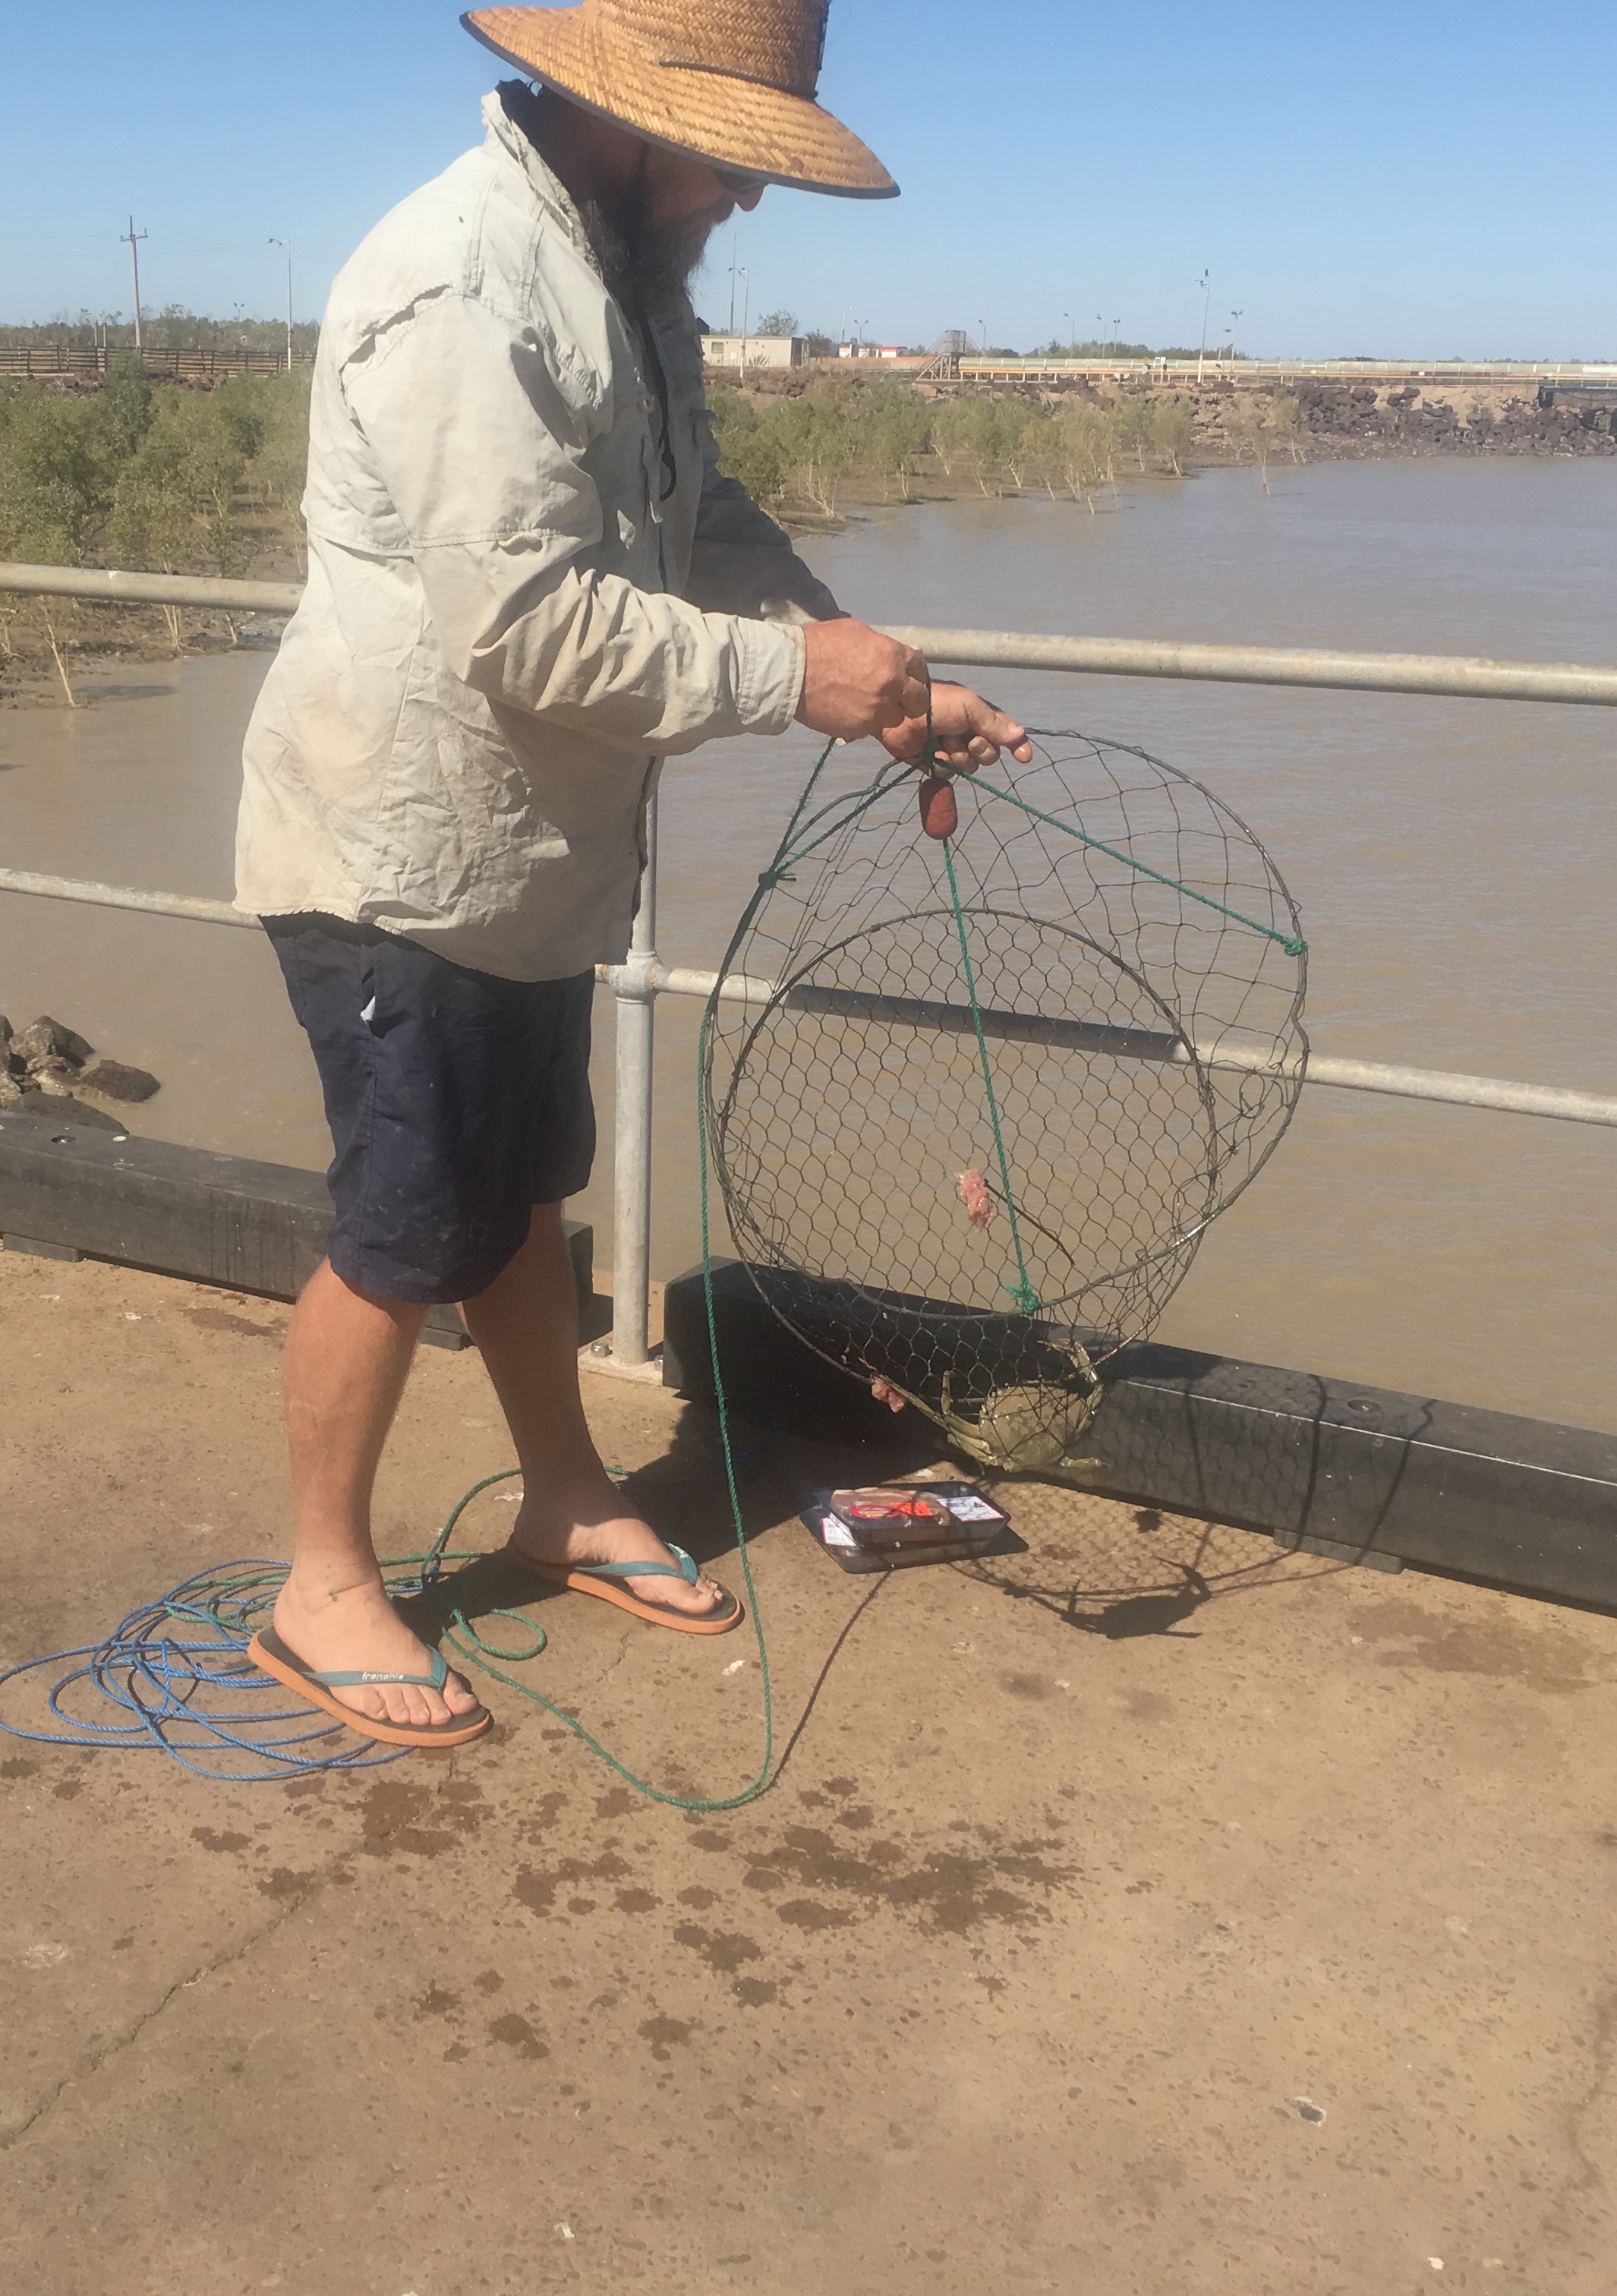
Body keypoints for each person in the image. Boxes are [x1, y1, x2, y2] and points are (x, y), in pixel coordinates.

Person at [234, 0, 1028, 1747]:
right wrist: (793, 680)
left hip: (528, 853)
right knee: (404, 1228)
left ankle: (566, 1494)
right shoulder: (465, 283)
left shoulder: (623, 273)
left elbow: (699, 518)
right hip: (400, 853)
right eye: (734, 160)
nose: (747, 198)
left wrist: (873, 673)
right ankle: (322, 1584)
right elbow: (524, 625)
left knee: (522, 1194)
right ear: (630, 115)